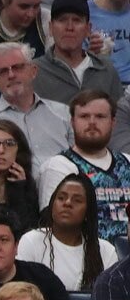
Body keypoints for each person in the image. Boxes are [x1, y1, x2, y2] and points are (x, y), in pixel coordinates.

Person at [37, 91, 130, 252]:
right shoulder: (58, 166)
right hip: (87, 257)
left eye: (100, 116)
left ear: (113, 122)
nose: (92, 122)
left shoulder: (128, 162)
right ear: (72, 121)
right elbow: (54, 227)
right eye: (84, 116)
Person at [0, 42, 74, 165]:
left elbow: (81, 160)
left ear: (33, 71)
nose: (11, 75)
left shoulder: (63, 113)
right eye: (3, 71)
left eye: (17, 67)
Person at [20, 174, 109, 293]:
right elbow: (20, 292)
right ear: (52, 205)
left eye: (77, 200)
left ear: (88, 211)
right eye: (61, 198)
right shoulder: (31, 241)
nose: (67, 203)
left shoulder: (106, 251)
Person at [36, 0, 124, 107]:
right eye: (62, 20)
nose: (69, 27)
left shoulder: (106, 71)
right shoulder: (34, 72)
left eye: (77, 20)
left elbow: (120, 119)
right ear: (51, 28)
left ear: (88, 29)